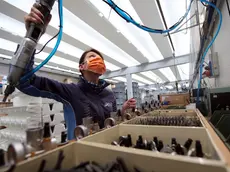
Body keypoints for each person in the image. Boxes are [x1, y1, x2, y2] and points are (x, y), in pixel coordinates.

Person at [18, 4, 136, 140]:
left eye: (100, 59)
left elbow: (111, 120)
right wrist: (32, 37)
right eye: (92, 57)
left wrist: (123, 110)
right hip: (80, 153)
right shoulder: (70, 91)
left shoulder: (109, 95)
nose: (97, 59)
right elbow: (24, 81)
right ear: (81, 67)